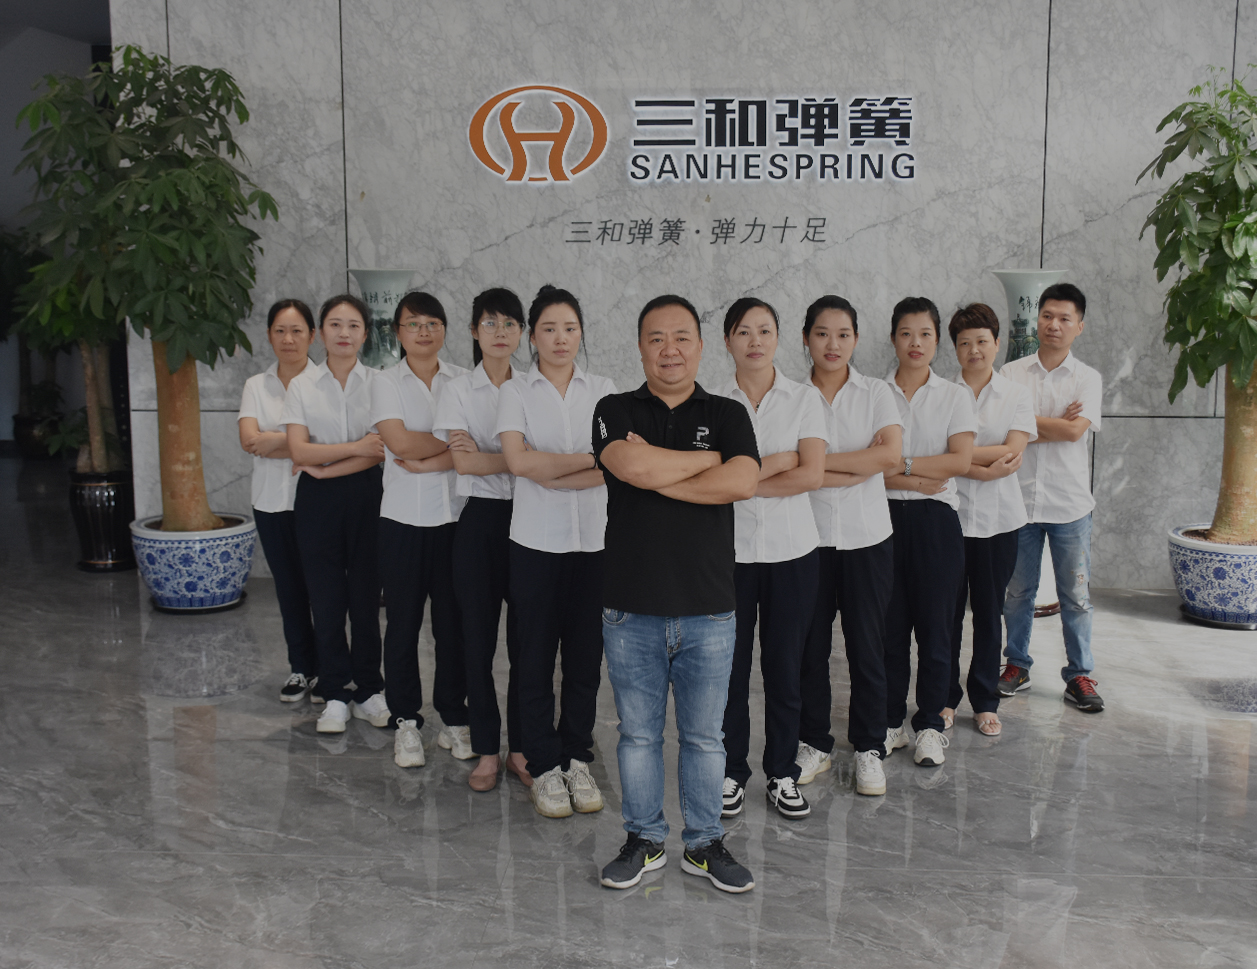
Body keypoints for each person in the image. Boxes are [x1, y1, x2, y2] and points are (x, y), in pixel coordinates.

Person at [594, 294, 760, 894]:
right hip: (630, 606)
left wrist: (661, 470)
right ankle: (643, 840)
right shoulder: (613, 408)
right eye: (657, 338)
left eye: (682, 337)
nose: (670, 349)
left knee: (705, 738)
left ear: (701, 345)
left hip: (709, 607)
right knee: (637, 735)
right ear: (640, 347)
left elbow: (742, 480)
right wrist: (703, 463)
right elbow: (630, 468)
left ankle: (704, 843)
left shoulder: (728, 412)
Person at [497, 285, 616, 818]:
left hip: (594, 544)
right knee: (534, 657)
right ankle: (543, 765)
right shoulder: (515, 391)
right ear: (532, 336)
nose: (560, 338)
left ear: (581, 333)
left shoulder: (605, 391)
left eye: (569, 328)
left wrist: (553, 469)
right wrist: (587, 463)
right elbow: (518, 463)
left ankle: (576, 757)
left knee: (586, 659)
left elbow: (616, 464)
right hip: (536, 544)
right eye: (549, 329)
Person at [716, 297, 827, 820]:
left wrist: (741, 477)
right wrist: (779, 461)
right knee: (730, 671)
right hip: (729, 555)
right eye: (743, 332)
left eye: (764, 330)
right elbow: (705, 476)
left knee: (786, 669)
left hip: (792, 553)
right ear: (727, 341)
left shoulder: (805, 398)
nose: (755, 341)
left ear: (779, 338)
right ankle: (730, 771)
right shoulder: (713, 403)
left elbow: (811, 474)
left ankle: (782, 773)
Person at [799, 296, 902, 797]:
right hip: (808, 540)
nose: (832, 344)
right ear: (806, 339)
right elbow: (789, 463)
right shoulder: (793, 397)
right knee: (810, 649)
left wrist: (817, 465)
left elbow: (890, 456)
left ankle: (869, 747)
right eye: (822, 334)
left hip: (867, 539)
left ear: (856, 340)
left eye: (843, 334)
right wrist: (858, 462)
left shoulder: (877, 392)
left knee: (868, 647)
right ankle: (813, 742)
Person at [433, 287, 532, 792]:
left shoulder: (534, 386)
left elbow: (491, 458)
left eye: (510, 323)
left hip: (531, 520)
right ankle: (487, 750)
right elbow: (464, 464)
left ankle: (522, 750)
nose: (500, 332)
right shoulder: (457, 390)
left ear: (522, 332)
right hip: (478, 523)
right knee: (477, 639)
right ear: (474, 331)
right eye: (490, 323)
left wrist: (494, 457)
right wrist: (520, 458)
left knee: (526, 642)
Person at [371, 291, 471, 769]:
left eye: (432, 323)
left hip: (455, 520)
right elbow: (397, 442)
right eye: (413, 324)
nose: (424, 331)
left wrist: (433, 454)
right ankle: (406, 721)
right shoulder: (385, 382)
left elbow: (473, 446)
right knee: (403, 626)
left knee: (453, 628)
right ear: (398, 332)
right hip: (402, 522)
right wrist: (449, 447)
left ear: (445, 330)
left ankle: (453, 717)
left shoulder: (463, 381)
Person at [281, 294, 387, 735]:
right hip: (316, 502)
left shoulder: (380, 383)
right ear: (320, 332)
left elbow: (378, 451)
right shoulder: (302, 386)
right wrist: (353, 448)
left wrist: (325, 465)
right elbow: (298, 450)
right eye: (335, 325)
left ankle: (369, 689)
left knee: (365, 598)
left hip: (367, 495)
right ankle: (336, 693)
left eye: (354, 325)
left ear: (365, 334)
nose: (344, 333)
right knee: (325, 600)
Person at [999, 283, 1105, 712]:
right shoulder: (1011, 374)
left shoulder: (1087, 378)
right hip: (1019, 502)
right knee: (1017, 593)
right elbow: (1004, 431)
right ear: (1037, 319)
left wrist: (1028, 424)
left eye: (1064, 318)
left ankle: (1079, 675)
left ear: (1079, 326)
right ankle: (1016, 665)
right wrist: (1052, 424)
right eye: (1047, 316)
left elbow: (1075, 431)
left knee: (1075, 597)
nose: (1054, 325)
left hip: (1069, 505)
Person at [881, 297, 976, 767]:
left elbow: (959, 461)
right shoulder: (875, 393)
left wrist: (902, 465)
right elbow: (869, 469)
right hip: (881, 520)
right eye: (906, 333)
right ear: (893, 338)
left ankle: (931, 726)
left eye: (924, 334)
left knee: (938, 629)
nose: (915, 343)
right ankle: (889, 721)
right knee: (889, 629)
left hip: (937, 522)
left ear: (938, 340)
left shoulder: (955, 396)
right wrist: (917, 474)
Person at [946, 303, 1037, 736]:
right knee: (945, 615)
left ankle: (984, 700)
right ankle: (943, 698)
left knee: (988, 612)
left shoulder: (1017, 395)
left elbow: (1013, 452)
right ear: (955, 348)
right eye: (965, 343)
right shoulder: (942, 394)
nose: (974, 350)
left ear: (997, 344)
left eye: (982, 341)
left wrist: (959, 459)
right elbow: (935, 455)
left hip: (1000, 521)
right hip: (950, 518)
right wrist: (980, 464)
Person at [238, 299, 320, 703]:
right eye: (280, 331)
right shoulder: (257, 385)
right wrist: (300, 444)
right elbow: (249, 441)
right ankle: (302, 668)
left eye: (297, 331)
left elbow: (330, 441)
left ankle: (332, 670)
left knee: (324, 590)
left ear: (312, 336)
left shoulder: (325, 383)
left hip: (318, 501)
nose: (289, 339)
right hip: (271, 503)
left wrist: (275, 440)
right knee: (289, 590)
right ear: (270, 335)